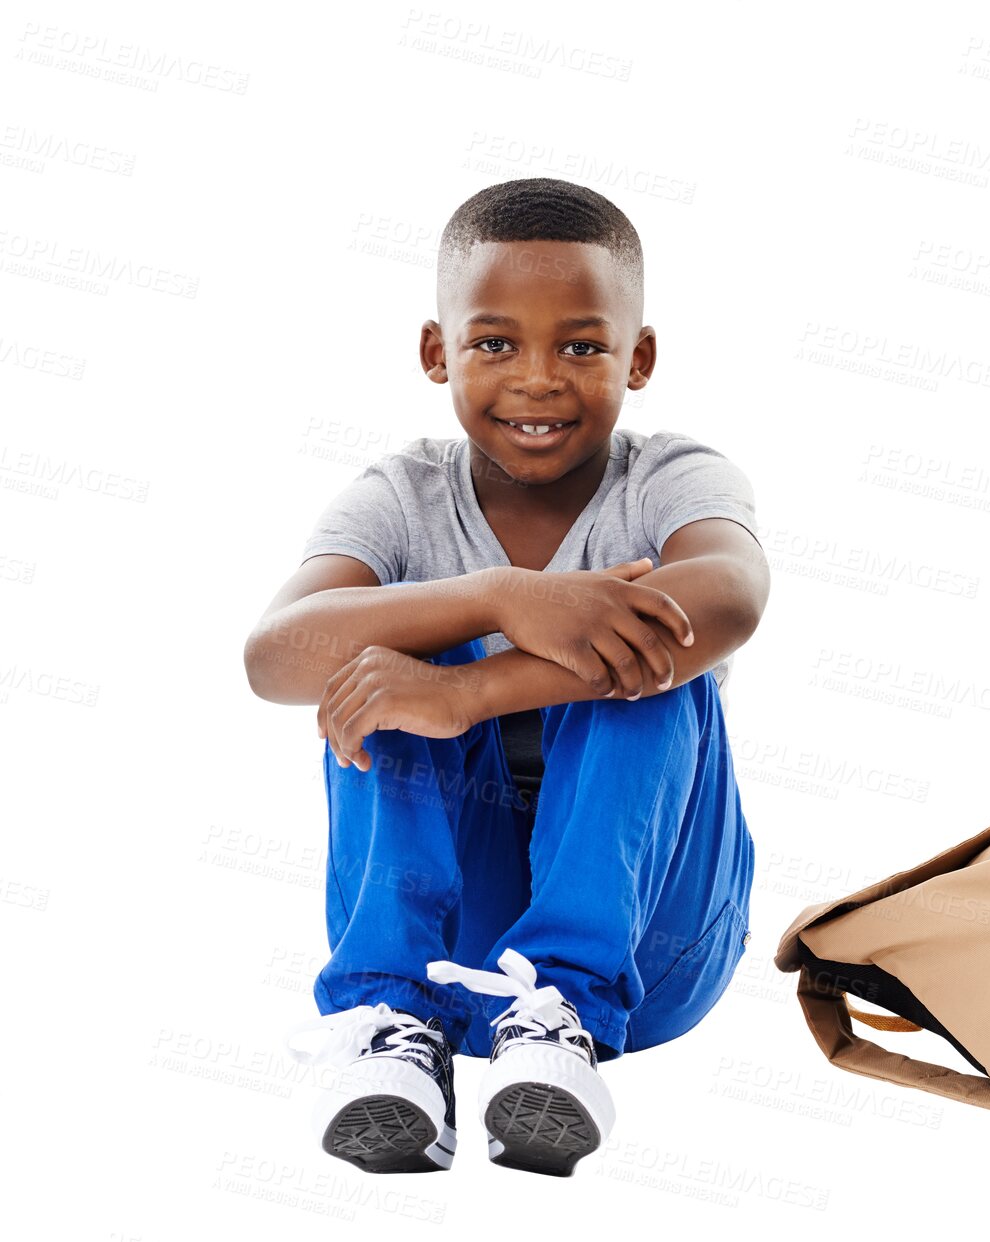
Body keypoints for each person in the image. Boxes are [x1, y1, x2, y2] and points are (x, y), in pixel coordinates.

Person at [242, 178, 768, 1178]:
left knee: (651, 647)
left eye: (581, 345)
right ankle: (391, 1022)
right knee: (381, 659)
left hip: (654, 949)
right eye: (495, 344)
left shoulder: (671, 477)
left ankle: (563, 1012)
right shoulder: (404, 496)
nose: (539, 379)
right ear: (437, 351)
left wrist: (473, 691)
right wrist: (494, 598)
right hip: (455, 946)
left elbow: (733, 597)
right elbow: (276, 656)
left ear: (638, 357)